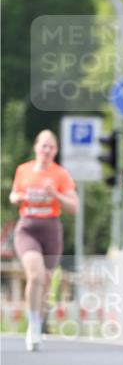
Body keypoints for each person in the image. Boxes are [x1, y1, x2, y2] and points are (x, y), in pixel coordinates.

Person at [9, 129, 79, 351]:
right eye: (43, 145)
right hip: (27, 227)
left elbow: (74, 207)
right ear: (36, 147)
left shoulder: (61, 175)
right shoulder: (24, 170)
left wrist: (55, 194)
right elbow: (13, 195)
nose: (47, 150)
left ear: (56, 151)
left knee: (46, 280)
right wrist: (19, 197)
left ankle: (39, 320)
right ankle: (33, 325)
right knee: (35, 275)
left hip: (51, 229)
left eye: (51, 146)